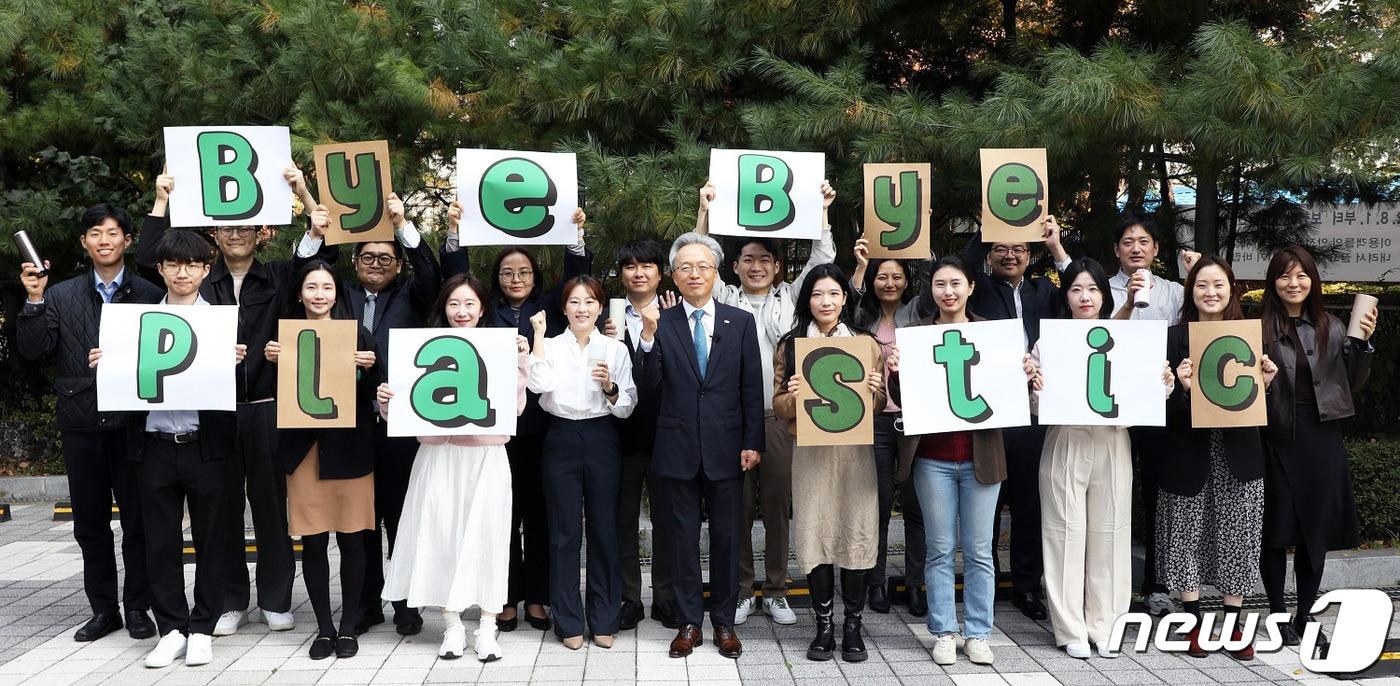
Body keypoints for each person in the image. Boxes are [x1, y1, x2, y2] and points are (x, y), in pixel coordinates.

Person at [136, 167, 333, 636]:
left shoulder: (281, 277)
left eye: (246, 226)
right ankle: (230, 599)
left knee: (270, 505)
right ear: (214, 236)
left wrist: (302, 193)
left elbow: (315, 250)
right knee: (220, 508)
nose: (236, 234)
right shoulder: (200, 279)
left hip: (267, 405)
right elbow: (150, 262)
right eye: (227, 227)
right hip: (214, 411)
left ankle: (276, 599)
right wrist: (161, 199)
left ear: (261, 232)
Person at [88, 230, 243, 667]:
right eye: (173, 264)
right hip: (153, 445)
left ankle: (204, 626)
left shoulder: (221, 321)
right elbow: (123, 387)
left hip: (205, 445)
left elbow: (243, 392)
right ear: (161, 269)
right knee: (160, 541)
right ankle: (172, 626)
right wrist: (108, 363)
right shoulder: (133, 323)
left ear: (205, 270)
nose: (182, 272)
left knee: (213, 539)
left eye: (192, 264)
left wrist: (237, 363)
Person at [441, 202, 591, 632]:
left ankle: (538, 598)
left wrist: (577, 238)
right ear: (497, 279)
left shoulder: (551, 308)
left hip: (542, 431)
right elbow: (456, 283)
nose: (516, 279)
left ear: (535, 277)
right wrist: (454, 232)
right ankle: (504, 598)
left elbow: (574, 279)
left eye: (524, 272)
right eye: (507, 272)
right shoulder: (484, 314)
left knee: (540, 515)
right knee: (500, 517)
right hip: (492, 433)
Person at [17, 203, 161, 642]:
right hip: (81, 423)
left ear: (127, 241)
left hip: (134, 425)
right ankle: (104, 610)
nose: (104, 240)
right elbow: (34, 350)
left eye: (113, 232)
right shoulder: (59, 294)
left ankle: (138, 607)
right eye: (95, 233)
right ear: (84, 242)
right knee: (90, 525)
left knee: (139, 522)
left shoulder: (150, 293)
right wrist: (35, 299)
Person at [694, 180, 836, 624]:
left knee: (776, 504)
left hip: (779, 416)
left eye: (765, 260)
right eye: (748, 259)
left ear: (776, 267)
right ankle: (739, 589)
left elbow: (822, 260)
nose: (756, 266)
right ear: (733, 266)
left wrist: (824, 210)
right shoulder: (722, 297)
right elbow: (698, 258)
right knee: (734, 505)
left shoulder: (792, 299)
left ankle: (776, 590)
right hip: (731, 419)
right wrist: (704, 211)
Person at [1023, 257, 1173, 659]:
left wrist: (1163, 382)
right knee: (1063, 534)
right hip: (1065, 440)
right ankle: (1070, 628)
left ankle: (1105, 624)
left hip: (1113, 440)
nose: (1085, 296)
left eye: (1092, 289)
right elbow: (1037, 408)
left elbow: (1146, 399)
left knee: (1110, 533)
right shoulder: (1049, 343)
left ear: (1105, 296)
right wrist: (1034, 387)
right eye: (1076, 289)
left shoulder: (1130, 339)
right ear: (1066, 296)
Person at [375, 273, 525, 662]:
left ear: (482, 309)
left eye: (469, 304)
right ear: (444, 307)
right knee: (440, 536)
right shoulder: (425, 346)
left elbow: (516, 408)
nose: (462, 312)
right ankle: (453, 625)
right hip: (437, 457)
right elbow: (404, 411)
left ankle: (488, 627)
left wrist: (520, 362)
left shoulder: (500, 346)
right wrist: (387, 398)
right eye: (454, 304)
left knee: (489, 538)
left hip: (485, 457)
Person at [636, 232, 765, 659]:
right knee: (682, 539)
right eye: (686, 267)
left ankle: (725, 621)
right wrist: (650, 337)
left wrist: (752, 441)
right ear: (673, 275)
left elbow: (751, 388)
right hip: (676, 449)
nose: (695, 273)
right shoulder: (661, 322)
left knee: (728, 538)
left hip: (729, 449)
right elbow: (649, 387)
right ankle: (690, 621)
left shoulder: (739, 321)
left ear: (716, 273)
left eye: (703, 266)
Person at [1258, 246, 1375, 653]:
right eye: (1286, 276)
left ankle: (1305, 614)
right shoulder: (1257, 327)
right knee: (1274, 532)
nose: (1294, 283)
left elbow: (1352, 381)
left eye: (1302, 275)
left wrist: (1363, 345)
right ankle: (1276, 615)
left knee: (1314, 534)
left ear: (1313, 281)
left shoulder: (1333, 325)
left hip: (1322, 437)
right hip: (1273, 434)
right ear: (1273, 281)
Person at [1161, 256, 1278, 660]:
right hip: (1187, 450)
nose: (1210, 293)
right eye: (1201, 285)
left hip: (1239, 452)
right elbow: (1160, 410)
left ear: (1232, 290)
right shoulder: (1174, 339)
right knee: (1187, 534)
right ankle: (1193, 621)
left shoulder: (1250, 337)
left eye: (1218, 285)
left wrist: (1264, 386)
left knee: (1239, 536)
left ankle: (1233, 622)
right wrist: (1183, 389)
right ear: (1190, 292)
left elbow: (1261, 412)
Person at [892, 256, 1006, 667]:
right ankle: (943, 630)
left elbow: (1007, 394)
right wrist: (895, 373)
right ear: (932, 290)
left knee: (978, 551)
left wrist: (1022, 370)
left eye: (956, 283)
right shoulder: (917, 336)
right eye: (940, 284)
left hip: (982, 458)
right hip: (932, 459)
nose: (948, 292)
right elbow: (905, 397)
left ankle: (978, 632)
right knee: (939, 548)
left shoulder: (993, 337)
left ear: (971, 287)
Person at [772, 264, 888, 662]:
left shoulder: (865, 343)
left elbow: (876, 404)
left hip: (855, 453)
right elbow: (779, 406)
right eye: (818, 294)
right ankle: (823, 628)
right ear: (808, 300)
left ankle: (853, 627)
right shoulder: (791, 345)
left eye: (834, 294)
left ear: (845, 298)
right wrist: (794, 393)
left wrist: (875, 391)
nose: (826, 301)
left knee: (855, 530)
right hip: (810, 453)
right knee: (815, 533)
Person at [264, 261, 379, 660]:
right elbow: (266, 396)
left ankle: (348, 627)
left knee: (352, 540)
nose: (318, 294)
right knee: (312, 542)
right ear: (299, 293)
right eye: (311, 287)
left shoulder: (357, 335)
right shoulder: (283, 337)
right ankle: (324, 628)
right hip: (303, 452)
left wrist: (369, 369)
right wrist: (269, 360)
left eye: (326, 287)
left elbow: (371, 400)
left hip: (350, 452)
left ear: (336, 293)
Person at [959, 216, 1069, 621]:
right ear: (990, 254)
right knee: (985, 498)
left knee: (1028, 503)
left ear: (1030, 255)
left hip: (1032, 407)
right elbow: (963, 267)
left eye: (1019, 248)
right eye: (1001, 248)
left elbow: (1077, 283)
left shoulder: (1045, 291)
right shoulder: (979, 289)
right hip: (989, 409)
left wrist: (1056, 245)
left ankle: (1026, 586)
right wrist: (989, 220)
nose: (1010, 254)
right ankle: (985, 584)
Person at [527, 275, 638, 649]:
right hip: (559, 436)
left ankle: (604, 618)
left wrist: (609, 387)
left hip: (601, 435)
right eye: (574, 302)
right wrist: (539, 336)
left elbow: (627, 407)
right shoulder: (551, 346)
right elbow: (538, 385)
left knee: (604, 530)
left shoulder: (615, 349)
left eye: (589, 302)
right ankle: (569, 621)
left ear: (600, 307)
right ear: (564, 308)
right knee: (563, 532)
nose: (582, 309)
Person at [349, 193, 441, 637]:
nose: (377, 263)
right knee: (361, 520)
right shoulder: (338, 293)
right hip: (350, 423)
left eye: (387, 258)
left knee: (401, 518)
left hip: (401, 426)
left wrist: (403, 225)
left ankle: (406, 604)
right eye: (368, 257)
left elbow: (431, 272)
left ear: (398, 264)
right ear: (355, 261)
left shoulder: (413, 293)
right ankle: (366, 604)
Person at [1108, 211, 1192, 618]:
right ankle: (1114, 581)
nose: (1136, 248)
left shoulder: (1175, 292)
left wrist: (1194, 279)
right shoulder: (1103, 290)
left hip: (1161, 406)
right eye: (1128, 242)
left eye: (1143, 241)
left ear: (1156, 249)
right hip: (1115, 406)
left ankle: (1156, 584)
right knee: (1114, 493)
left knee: (1157, 495)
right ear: (1117, 251)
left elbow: (1201, 323)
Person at [602, 239, 680, 629]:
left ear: (659, 273)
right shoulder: (605, 316)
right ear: (621, 274)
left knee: (668, 518)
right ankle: (628, 597)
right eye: (630, 266)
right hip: (620, 433)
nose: (639, 273)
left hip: (667, 431)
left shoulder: (677, 313)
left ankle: (665, 596)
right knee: (622, 519)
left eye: (647, 266)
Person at [850, 241, 927, 616]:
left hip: (916, 419)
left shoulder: (918, 313)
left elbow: (933, 284)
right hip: (876, 420)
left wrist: (922, 243)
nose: (890, 282)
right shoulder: (862, 318)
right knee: (877, 506)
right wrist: (862, 267)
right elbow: (848, 297)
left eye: (897, 276)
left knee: (915, 506)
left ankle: (915, 584)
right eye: (883, 276)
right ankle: (875, 583)